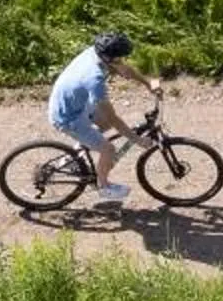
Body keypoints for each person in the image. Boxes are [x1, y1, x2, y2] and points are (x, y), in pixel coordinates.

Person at [48, 31, 156, 202]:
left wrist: (148, 83)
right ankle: (103, 186)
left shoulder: (96, 52)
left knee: (104, 124)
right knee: (109, 149)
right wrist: (137, 140)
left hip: (76, 103)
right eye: (119, 58)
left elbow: (124, 69)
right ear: (108, 58)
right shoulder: (94, 78)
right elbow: (113, 117)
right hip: (68, 116)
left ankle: (75, 156)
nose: (122, 61)